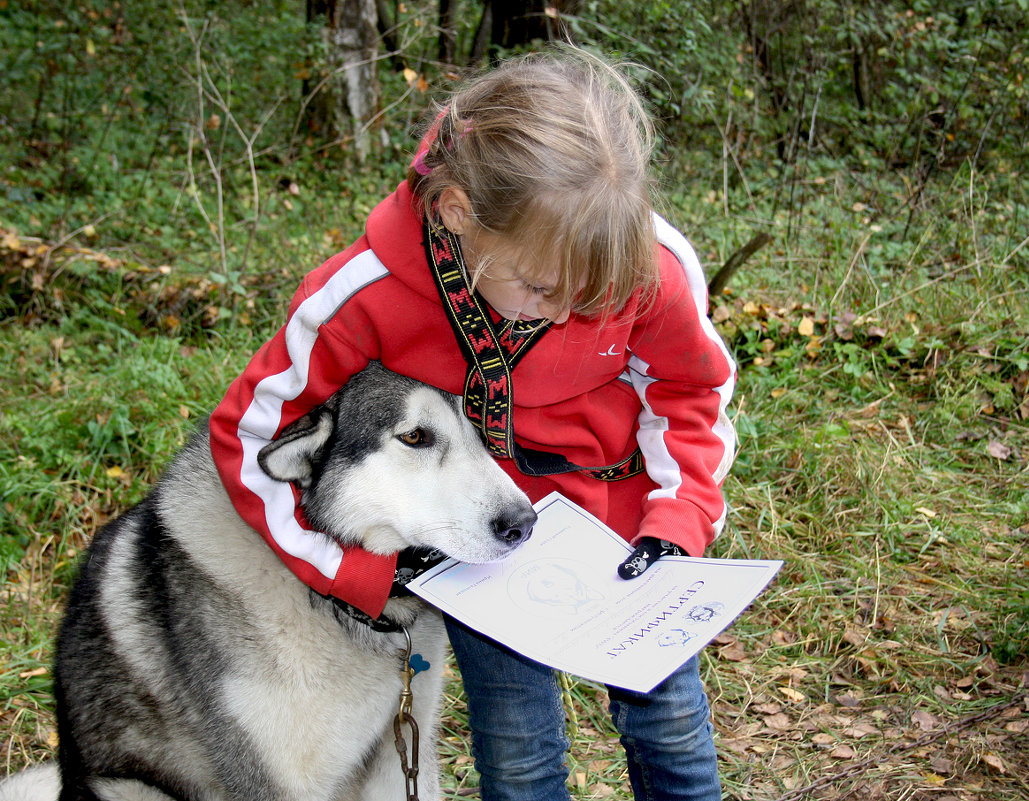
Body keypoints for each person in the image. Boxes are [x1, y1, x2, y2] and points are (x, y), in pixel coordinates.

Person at [209, 46, 736, 801]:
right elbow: (251, 436)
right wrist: (367, 571)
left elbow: (691, 393)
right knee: (517, 747)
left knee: (670, 725)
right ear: (458, 214)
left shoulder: (642, 261)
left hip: (631, 536)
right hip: (486, 543)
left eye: (588, 299)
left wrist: (677, 521)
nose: (562, 313)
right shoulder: (365, 293)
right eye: (542, 287)